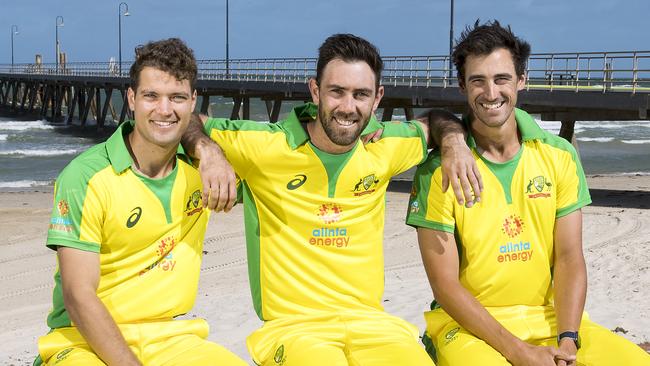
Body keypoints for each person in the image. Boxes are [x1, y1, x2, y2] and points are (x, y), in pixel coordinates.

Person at [182, 33, 482, 366]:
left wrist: (455, 145)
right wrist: (208, 152)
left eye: (360, 95)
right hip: (296, 329)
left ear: (377, 98)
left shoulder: (383, 145)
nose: (348, 107)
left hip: (374, 325)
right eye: (336, 92)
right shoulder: (265, 146)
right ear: (315, 90)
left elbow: (439, 120)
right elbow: (187, 119)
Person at [406, 20, 650, 366]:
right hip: (467, 327)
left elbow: (568, 258)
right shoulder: (438, 171)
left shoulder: (559, 155)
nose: (491, 93)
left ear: (521, 80)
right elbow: (446, 288)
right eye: (478, 80)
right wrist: (517, 351)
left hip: (549, 319)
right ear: (462, 85)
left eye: (501, 78)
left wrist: (568, 339)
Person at [34, 38, 246, 366]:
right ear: (131, 99)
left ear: (192, 103)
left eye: (176, 97)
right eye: (151, 96)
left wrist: (209, 150)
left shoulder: (205, 171)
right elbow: (78, 296)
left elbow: (293, 152)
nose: (164, 110)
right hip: (81, 341)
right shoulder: (85, 177)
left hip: (172, 338)